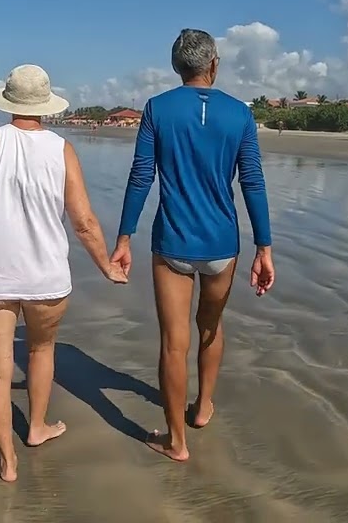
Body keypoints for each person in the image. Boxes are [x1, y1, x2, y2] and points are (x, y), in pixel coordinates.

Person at [0, 63, 128, 483]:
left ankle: (7, 461)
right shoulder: (62, 150)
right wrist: (106, 265)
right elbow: (83, 221)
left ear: (7, 101)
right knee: (41, 351)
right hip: (48, 277)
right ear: (46, 105)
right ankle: (36, 427)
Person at [112, 29, 275, 463]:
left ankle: (176, 442)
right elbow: (252, 182)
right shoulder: (239, 113)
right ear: (214, 64)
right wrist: (264, 247)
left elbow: (141, 176)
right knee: (210, 327)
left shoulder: (157, 108)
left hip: (172, 242)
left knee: (173, 342)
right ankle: (202, 407)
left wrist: (124, 237)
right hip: (222, 243)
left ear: (176, 66)